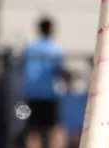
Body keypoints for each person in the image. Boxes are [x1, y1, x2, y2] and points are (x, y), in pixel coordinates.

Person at [20, 17, 66, 148]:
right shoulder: (55, 49)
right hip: (49, 94)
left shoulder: (29, 48)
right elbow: (58, 70)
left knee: (33, 130)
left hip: (32, 93)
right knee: (54, 129)